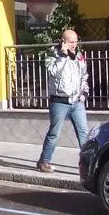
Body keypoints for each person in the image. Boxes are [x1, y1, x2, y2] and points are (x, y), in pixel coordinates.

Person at [37, 29, 89, 173]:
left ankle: (87, 164)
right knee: (54, 133)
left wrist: (84, 93)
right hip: (59, 101)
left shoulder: (79, 56)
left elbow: (84, 75)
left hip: (77, 102)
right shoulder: (52, 55)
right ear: (63, 41)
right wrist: (63, 56)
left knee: (84, 133)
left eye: (76, 41)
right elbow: (53, 72)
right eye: (71, 42)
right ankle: (44, 161)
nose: (74, 45)